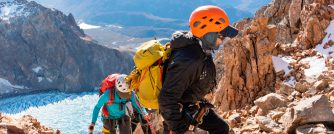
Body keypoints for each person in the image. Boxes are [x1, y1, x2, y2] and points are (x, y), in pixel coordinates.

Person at [158, 5, 239, 134]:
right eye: (220, 36)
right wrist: (181, 129)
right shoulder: (189, 59)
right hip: (178, 114)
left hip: (191, 106)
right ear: (208, 34)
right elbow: (166, 99)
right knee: (220, 129)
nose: (222, 41)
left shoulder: (200, 49)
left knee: (221, 128)